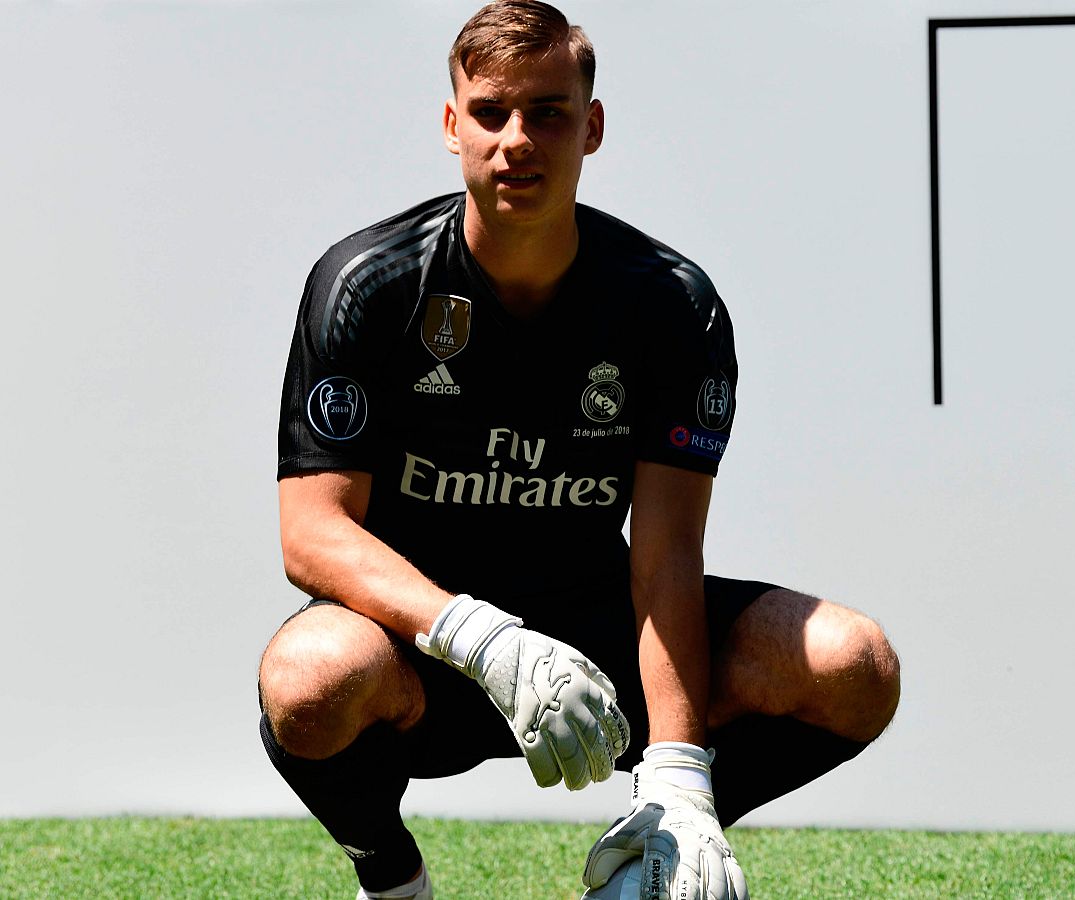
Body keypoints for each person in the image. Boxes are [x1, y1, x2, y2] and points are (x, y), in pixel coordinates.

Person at [256, 2, 901, 898]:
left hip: (600, 641)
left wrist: (681, 773)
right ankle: (392, 876)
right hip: (427, 649)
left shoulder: (671, 304)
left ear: (591, 127)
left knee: (851, 663)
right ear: (453, 126)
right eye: (490, 112)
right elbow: (311, 535)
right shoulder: (368, 283)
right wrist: (478, 637)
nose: (516, 140)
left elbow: (669, 552)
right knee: (306, 677)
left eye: (548, 113)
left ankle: (652, 849)